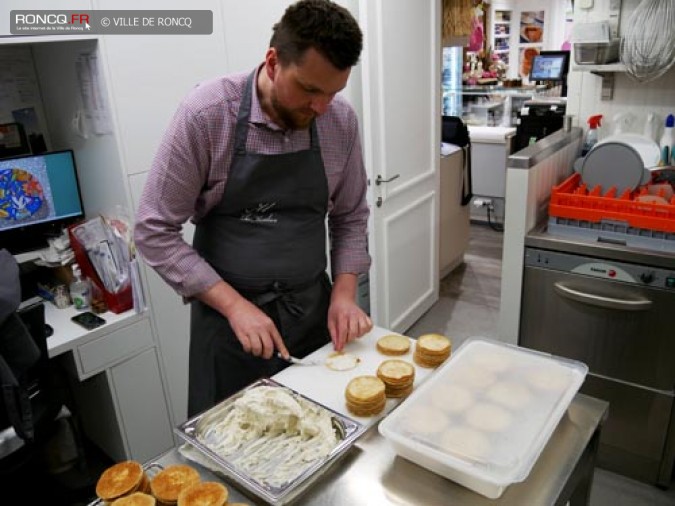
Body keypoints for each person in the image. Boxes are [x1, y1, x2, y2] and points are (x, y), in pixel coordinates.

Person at [134, 0, 372, 417]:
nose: (320, 107)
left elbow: (350, 215)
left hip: (313, 315)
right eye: (310, 89)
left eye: (332, 93)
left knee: (318, 428)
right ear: (273, 61)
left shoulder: (340, 122)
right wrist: (234, 306)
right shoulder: (208, 115)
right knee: (236, 445)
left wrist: (345, 293)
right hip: (231, 328)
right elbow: (154, 231)